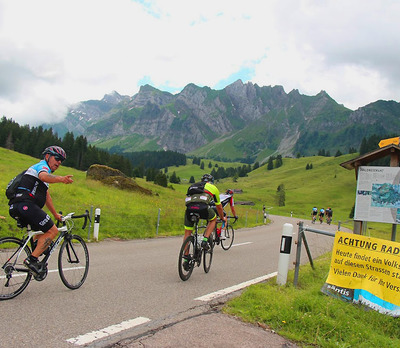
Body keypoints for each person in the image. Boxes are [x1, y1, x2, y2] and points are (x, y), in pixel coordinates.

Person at [8, 146, 73, 274]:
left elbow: (47, 196)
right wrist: (61, 179)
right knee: (53, 230)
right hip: (26, 206)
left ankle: (37, 252)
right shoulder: (42, 167)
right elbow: (43, 176)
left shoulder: (38, 173)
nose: (59, 162)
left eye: (62, 161)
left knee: (40, 231)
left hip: (16, 206)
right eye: (57, 158)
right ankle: (32, 260)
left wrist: (55, 214)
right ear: (47, 156)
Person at [183, 174, 226, 261]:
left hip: (189, 209)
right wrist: (222, 218)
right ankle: (205, 239)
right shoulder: (213, 188)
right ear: (211, 181)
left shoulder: (193, 186)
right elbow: (219, 206)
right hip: (203, 208)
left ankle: (186, 259)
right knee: (213, 219)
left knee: (187, 233)